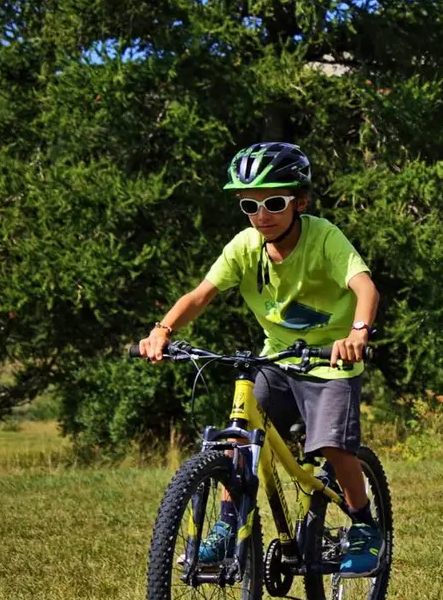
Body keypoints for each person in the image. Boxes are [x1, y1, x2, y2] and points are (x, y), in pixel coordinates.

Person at [136, 142, 385, 574]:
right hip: (278, 360)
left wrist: (357, 333)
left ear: (299, 202)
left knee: (331, 442)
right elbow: (200, 295)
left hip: (331, 361)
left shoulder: (324, 237)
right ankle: (226, 526)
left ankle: (364, 525)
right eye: (250, 205)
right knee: (237, 437)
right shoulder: (245, 246)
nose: (262, 214)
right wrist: (163, 330)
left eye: (273, 202)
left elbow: (365, 287)